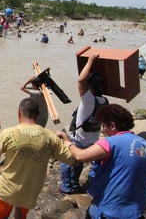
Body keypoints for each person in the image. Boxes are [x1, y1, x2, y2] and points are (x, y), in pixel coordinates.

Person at [56, 104, 146, 219]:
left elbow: (80, 156)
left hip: (108, 212)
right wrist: (144, 179)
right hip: (135, 213)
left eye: (104, 126)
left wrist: (67, 141)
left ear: (112, 126)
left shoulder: (110, 143)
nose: (103, 131)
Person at [0, 98, 75, 219]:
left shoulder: (8, 133)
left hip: (6, 190)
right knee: (20, 213)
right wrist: (65, 138)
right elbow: (73, 160)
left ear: (19, 113)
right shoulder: (50, 137)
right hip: (29, 192)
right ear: (38, 115)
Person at [60, 54, 109, 194]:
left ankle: (66, 187)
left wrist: (90, 60)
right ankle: (75, 184)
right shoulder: (104, 101)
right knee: (79, 162)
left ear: (90, 86)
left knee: (66, 160)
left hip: (79, 139)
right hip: (93, 140)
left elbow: (81, 80)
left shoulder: (89, 99)